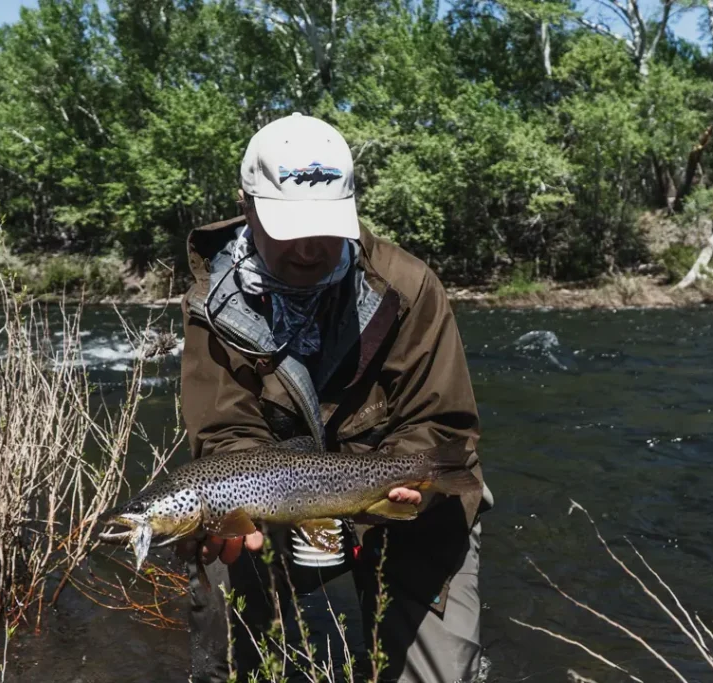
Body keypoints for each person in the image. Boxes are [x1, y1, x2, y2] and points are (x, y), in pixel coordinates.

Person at [175, 112, 494, 683]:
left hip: (402, 497)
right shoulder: (212, 306)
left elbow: (442, 424)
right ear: (247, 206)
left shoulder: (409, 287)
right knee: (222, 592)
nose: (308, 248)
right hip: (277, 499)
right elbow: (225, 433)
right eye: (287, 226)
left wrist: (409, 484)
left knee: (442, 677)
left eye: (324, 226)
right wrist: (237, 504)